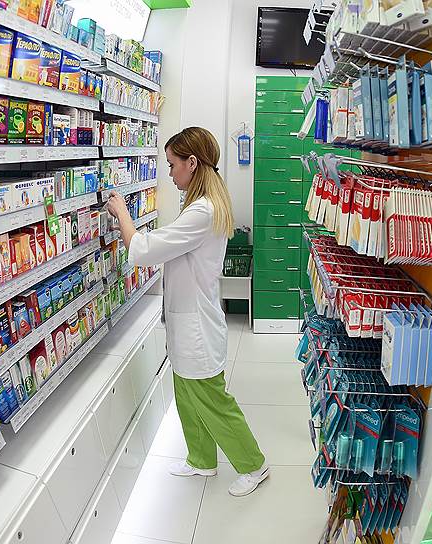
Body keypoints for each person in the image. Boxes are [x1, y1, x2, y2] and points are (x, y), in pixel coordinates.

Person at [104, 126, 269, 497]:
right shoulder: (199, 205)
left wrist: (122, 213)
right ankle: (201, 459)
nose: (169, 172)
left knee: (212, 400)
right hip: (185, 320)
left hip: (197, 326)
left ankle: (253, 465)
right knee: (186, 394)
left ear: (192, 163)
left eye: (172, 164)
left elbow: (144, 250)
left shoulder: (202, 211)